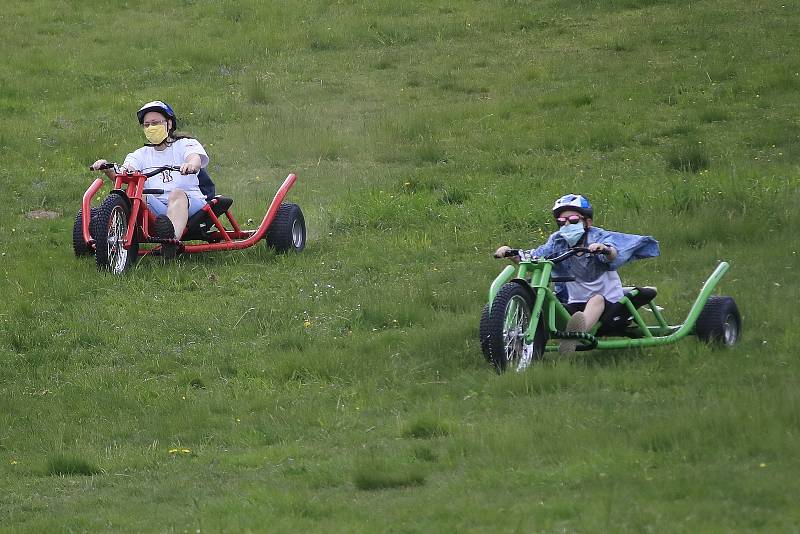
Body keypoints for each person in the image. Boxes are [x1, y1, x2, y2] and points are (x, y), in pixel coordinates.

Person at [495, 194, 660, 353]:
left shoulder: (598, 236)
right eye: (561, 222)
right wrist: (512, 254)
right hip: (575, 304)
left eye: (573, 220)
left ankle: (575, 335)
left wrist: (603, 249)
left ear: (587, 222)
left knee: (597, 299)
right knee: (549, 305)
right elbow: (535, 258)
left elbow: (613, 253)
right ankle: (519, 339)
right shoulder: (557, 241)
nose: (567, 225)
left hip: (610, 305)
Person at [91, 100, 209, 258]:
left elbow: (194, 158)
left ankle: (170, 242)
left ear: (169, 123)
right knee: (138, 195)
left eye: (155, 123)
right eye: (147, 125)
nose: (151, 128)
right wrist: (107, 168)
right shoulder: (140, 154)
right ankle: (109, 229)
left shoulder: (185, 144)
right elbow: (125, 175)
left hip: (189, 202)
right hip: (158, 207)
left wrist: (191, 165)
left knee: (177, 194)